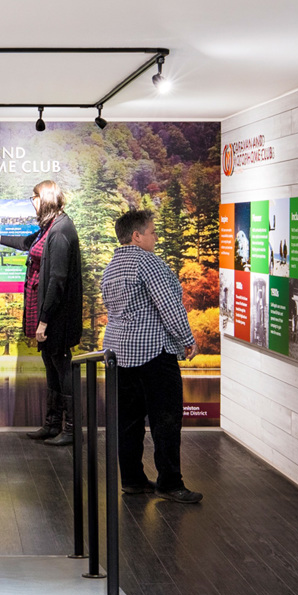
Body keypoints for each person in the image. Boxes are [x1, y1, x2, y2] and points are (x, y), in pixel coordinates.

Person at [100, 208, 203, 504]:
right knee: (166, 421)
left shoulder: (112, 266)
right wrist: (187, 339)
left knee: (128, 421)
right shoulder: (149, 263)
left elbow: (113, 309)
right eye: (153, 232)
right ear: (137, 235)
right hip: (154, 352)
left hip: (118, 352)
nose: (156, 237)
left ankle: (132, 480)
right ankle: (170, 483)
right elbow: (169, 306)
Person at [0, 179, 83, 445]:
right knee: (52, 368)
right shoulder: (48, 229)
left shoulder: (61, 231)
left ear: (45, 199)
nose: (31, 203)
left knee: (62, 369)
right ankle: (52, 424)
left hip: (57, 317)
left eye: (34, 198)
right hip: (47, 312)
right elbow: (25, 243)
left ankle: (70, 430)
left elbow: (57, 280)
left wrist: (44, 321)